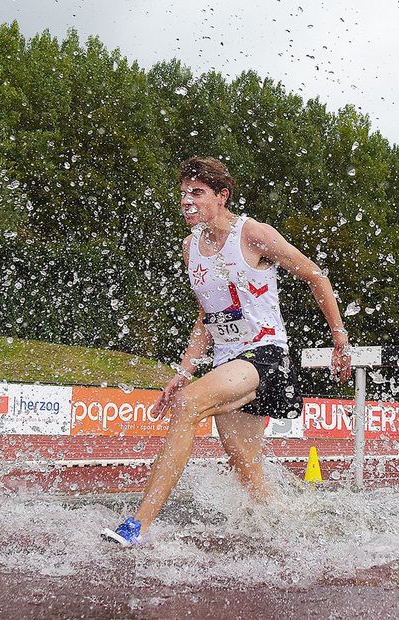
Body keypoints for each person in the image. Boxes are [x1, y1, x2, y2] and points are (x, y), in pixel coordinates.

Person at [102, 157, 351, 546]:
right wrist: (183, 372)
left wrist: (339, 337)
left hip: (266, 355)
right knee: (249, 478)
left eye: (197, 194)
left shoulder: (252, 234)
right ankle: (307, 534)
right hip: (227, 362)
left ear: (222, 197)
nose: (186, 202)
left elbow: (316, 275)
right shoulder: (190, 248)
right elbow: (207, 317)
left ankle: (138, 524)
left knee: (188, 406)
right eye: (183, 193)